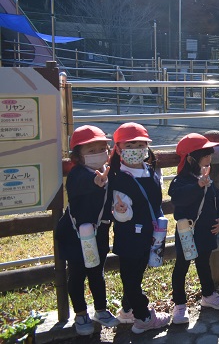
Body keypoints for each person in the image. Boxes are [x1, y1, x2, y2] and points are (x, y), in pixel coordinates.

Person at [55, 126, 119, 335]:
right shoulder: (78, 174)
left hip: (99, 233)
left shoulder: (110, 172)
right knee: (76, 274)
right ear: (78, 156)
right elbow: (78, 185)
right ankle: (81, 313)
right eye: (91, 151)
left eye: (102, 148)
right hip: (74, 234)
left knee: (97, 272)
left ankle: (101, 309)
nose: (98, 154)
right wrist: (96, 182)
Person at [110, 123, 171, 333]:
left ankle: (127, 310)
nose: (136, 148)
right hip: (129, 238)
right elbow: (121, 215)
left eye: (140, 144)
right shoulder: (120, 179)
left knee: (136, 274)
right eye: (130, 144)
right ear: (118, 149)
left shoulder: (149, 171)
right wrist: (120, 210)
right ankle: (143, 317)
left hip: (149, 235)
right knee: (131, 277)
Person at [170, 133, 219, 323]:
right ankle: (179, 304)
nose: (209, 159)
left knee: (204, 263)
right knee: (181, 267)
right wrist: (198, 185)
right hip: (187, 232)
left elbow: (217, 201)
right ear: (190, 159)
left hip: (205, 232)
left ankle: (208, 295)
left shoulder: (208, 180)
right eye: (205, 156)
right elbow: (179, 198)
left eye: (210, 155)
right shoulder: (181, 181)